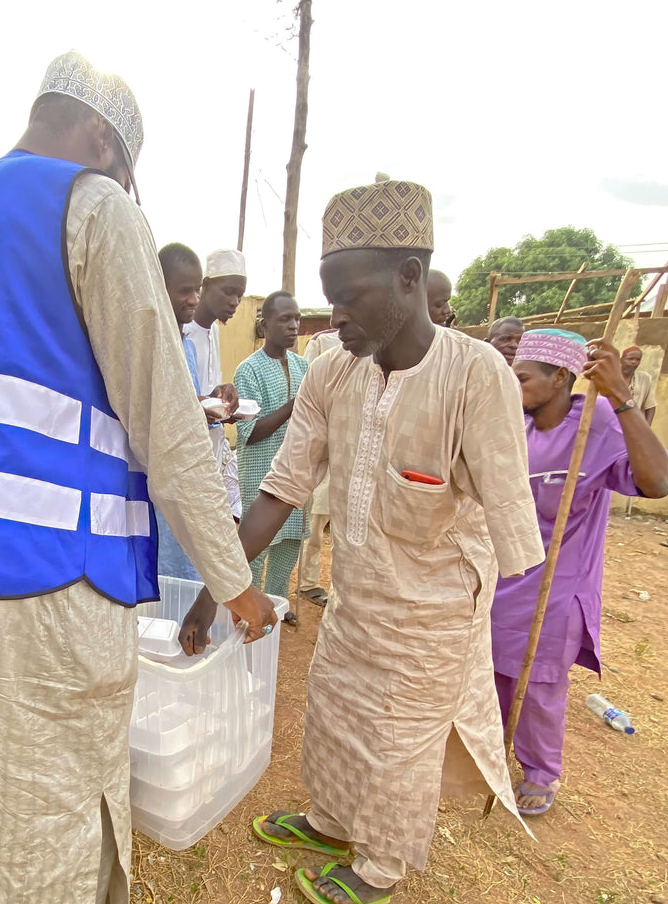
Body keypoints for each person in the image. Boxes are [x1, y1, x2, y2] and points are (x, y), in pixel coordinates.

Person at [0, 51, 276, 904]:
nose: (128, 190)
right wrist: (236, 583)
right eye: (129, 172)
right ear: (103, 138)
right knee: (52, 806)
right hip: (47, 579)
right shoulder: (91, 208)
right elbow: (167, 420)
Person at [182, 174, 544, 904]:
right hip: (356, 598)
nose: (335, 312)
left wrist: (480, 637)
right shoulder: (331, 372)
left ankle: (377, 867)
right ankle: (329, 819)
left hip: (433, 617)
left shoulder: (476, 377)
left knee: (396, 747)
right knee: (337, 712)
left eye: (351, 294)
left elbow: (512, 529)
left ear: (408, 279)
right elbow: (281, 487)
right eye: (330, 293)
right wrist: (217, 585)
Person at [491, 329, 668, 815]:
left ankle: (540, 771)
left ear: (560, 378)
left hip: (557, 584)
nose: (514, 384)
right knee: (492, 671)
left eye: (523, 378)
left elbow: (657, 482)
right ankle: (489, 750)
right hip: (503, 575)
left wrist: (622, 396)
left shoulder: (597, 422)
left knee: (541, 681)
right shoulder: (514, 426)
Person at [234, 291, 308, 602]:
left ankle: (274, 611)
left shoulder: (304, 367)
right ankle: (244, 614)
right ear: (266, 325)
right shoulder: (248, 370)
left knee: (288, 549)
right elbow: (249, 432)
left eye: (296, 319)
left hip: (296, 475)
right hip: (259, 476)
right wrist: (295, 404)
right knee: (254, 551)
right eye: (285, 319)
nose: (293, 326)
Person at [153, 242, 210, 582]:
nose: (194, 299)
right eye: (184, 291)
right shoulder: (155, 344)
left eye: (197, 290)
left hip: (188, 475)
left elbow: (186, 402)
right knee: (164, 571)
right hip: (161, 481)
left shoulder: (185, 344)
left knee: (189, 567)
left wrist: (211, 401)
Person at [183, 249, 247, 519]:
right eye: (228, 291)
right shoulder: (181, 330)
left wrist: (225, 400)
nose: (234, 302)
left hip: (211, 455)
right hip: (185, 459)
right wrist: (202, 405)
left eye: (240, 296)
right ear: (205, 286)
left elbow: (209, 390)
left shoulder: (215, 332)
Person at [297, 328, 341, 607]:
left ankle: (341, 589)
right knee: (316, 524)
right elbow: (308, 392)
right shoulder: (323, 342)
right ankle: (308, 582)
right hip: (327, 446)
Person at [621, 345, 657, 424]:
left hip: (634, 425)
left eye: (638, 360)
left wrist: (647, 427)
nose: (634, 362)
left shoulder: (644, 379)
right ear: (621, 360)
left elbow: (650, 405)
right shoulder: (611, 377)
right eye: (630, 359)